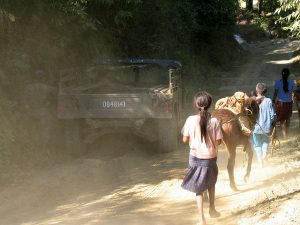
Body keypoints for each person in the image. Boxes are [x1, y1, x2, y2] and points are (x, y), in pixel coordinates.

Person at [181, 91, 223, 225]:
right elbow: (219, 142)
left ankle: (201, 219)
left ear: (196, 105)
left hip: (195, 157)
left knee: (199, 189)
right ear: (210, 105)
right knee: (211, 183)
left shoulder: (190, 120)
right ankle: (212, 208)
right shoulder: (215, 121)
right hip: (210, 157)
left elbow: (184, 139)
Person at [252, 83, 276, 167]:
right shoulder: (269, 101)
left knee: (257, 144)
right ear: (265, 91)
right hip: (266, 127)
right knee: (265, 141)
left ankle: (260, 160)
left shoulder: (253, 101)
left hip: (255, 128)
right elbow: (272, 115)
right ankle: (264, 153)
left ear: (256, 91)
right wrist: (272, 122)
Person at [272, 68, 295, 139]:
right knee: (287, 118)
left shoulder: (277, 82)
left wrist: (273, 100)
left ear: (281, 74)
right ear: (289, 74)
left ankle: (285, 136)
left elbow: (275, 93)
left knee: (282, 120)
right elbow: (293, 93)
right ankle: (287, 132)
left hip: (280, 103)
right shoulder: (292, 82)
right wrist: (293, 99)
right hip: (289, 103)